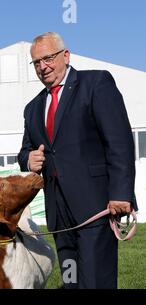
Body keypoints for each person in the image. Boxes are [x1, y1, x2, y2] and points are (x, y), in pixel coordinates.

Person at [18, 32, 137, 289]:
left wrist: (121, 193)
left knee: (96, 282)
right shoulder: (33, 108)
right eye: (36, 62)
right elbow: (25, 151)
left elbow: (119, 142)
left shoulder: (96, 83)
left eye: (48, 58)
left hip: (96, 207)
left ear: (66, 55)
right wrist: (29, 159)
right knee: (71, 282)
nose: (43, 66)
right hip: (59, 215)